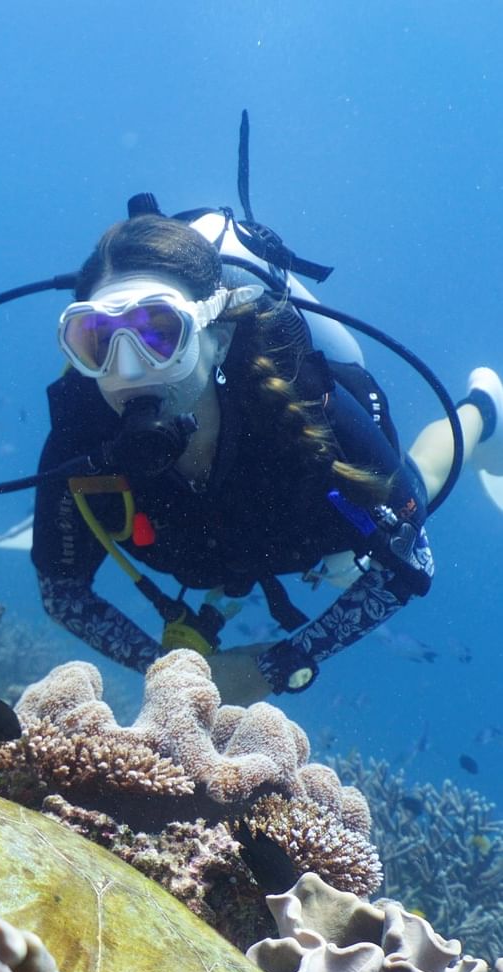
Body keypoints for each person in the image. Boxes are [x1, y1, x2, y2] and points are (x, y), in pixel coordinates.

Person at [31, 204, 503, 704]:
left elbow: (414, 560)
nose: (127, 371)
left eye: (159, 334)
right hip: (212, 547)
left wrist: (275, 667)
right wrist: (170, 674)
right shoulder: (81, 435)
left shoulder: (303, 411)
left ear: (218, 336)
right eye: (97, 341)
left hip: (300, 533)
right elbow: (61, 589)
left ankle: (484, 409)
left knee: (419, 477)